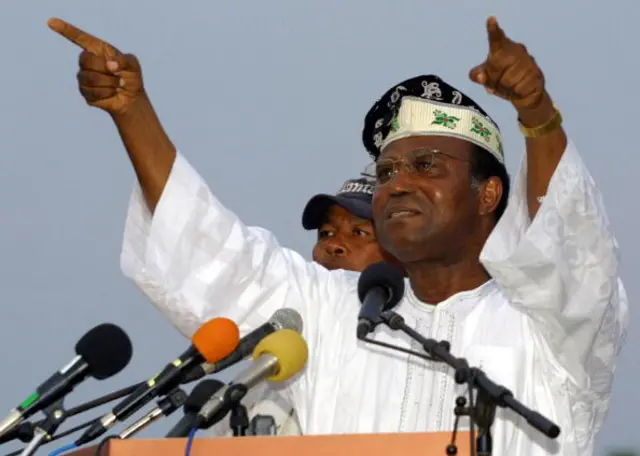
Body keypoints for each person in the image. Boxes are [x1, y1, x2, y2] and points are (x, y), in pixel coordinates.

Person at [48, 15, 628, 456]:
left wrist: (536, 113)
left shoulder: (545, 328)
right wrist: (133, 111)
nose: (397, 184)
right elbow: (206, 246)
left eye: (427, 166)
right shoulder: (328, 312)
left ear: (488, 195)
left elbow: (571, 251)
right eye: (388, 172)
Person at [223, 175, 384, 437]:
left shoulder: (411, 361)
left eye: (360, 233)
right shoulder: (253, 386)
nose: (334, 245)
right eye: (326, 233)